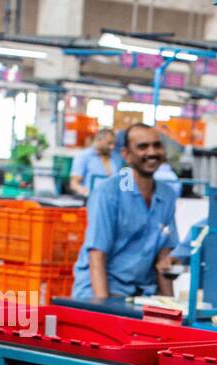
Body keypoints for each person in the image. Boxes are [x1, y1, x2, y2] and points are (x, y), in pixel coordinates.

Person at [71, 124, 177, 300]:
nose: (152, 152)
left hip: (140, 293)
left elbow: (163, 255)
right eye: (142, 147)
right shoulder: (108, 193)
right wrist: (102, 307)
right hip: (102, 291)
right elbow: (97, 254)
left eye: (157, 145)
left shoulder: (167, 195)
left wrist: (171, 306)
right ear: (126, 154)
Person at [69, 127, 122, 199]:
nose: (112, 147)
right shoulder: (85, 156)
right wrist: (83, 191)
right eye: (109, 143)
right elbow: (74, 184)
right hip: (92, 199)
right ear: (99, 140)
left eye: (113, 144)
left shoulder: (115, 158)